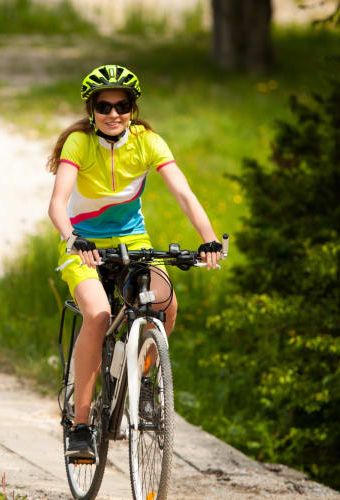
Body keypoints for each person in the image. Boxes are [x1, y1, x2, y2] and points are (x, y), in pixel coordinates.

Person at [47, 64, 222, 459]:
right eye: (104, 106)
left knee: (165, 304)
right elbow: (57, 206)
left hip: (132, 241)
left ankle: (142, 383)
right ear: (91, 110)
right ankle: (80, 425)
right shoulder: (79, 143)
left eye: (122, 105)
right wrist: (73, 238)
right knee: (96, 315)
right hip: (83, 244)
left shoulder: (148, 141)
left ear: (133, 107)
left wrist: (208, 238)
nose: (113, 113)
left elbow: (184, 194)